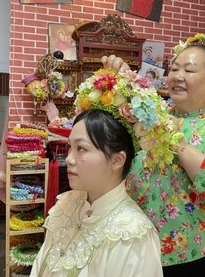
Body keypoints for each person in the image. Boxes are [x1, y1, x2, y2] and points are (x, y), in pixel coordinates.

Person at [101, 45, 205, 277]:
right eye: (174, 69)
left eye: (189, 70)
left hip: (202, 259)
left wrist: (180, 146)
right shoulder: (146, 114)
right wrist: (123, 87)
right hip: (138, 253)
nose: (177, 76)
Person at [30, 109, 163, 276]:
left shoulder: (132, 234)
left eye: (81, 148)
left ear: (117, 160)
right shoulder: (66, 205)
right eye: (70, 147)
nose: (69, 159)